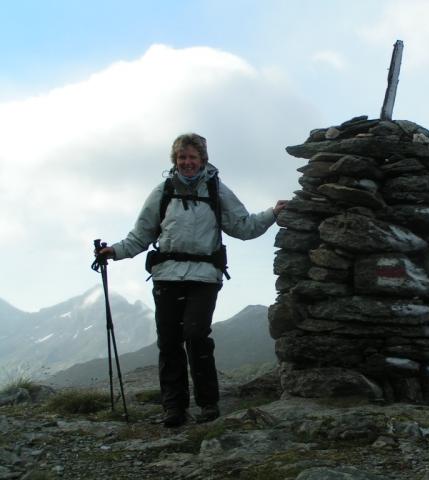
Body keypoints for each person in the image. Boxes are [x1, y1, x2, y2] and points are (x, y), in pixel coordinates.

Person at [97, 133, 287, 427]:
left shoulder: (216, 190)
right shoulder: (162, 192)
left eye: (192, 158)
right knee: (169, 341)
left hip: (204, 276)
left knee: (196, 335)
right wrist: (115, 251)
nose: (187, 163)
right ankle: (174, 409)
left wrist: (272, 214)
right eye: (182, 158)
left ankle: (208, 404)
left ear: (203, 160)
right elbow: (142, 235)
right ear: (175, 160)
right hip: (167, 276)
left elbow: (242, 225)